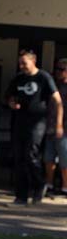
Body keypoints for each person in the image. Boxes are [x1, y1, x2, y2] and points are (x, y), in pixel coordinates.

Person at [5, 48, 62, 204]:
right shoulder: (18, 79)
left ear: (33, 61)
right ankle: (21, 195)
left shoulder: (43, 77)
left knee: (31, 154)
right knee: (19, 158)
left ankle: (40, 184)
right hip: (20, 121)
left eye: (24, 63)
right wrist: (12, 103)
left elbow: (57, 101)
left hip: (38, 121)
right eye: (20, 63)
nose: (22, 66)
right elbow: (9, 96)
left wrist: (58, 124)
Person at [44, 58, 67, 196]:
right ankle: (49, 184)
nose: (58, 72)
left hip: (64, 128)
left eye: (61, 69)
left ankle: (65, 187)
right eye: (57, 69)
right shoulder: (54, 85)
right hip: (50, 125)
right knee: (49, 157)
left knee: (65, 158)